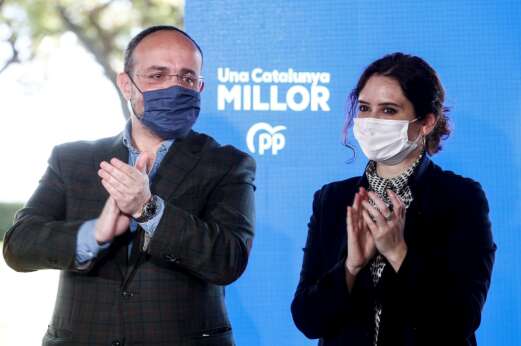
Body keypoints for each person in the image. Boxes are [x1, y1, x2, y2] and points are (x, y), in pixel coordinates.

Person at [3, 25, 255, 346]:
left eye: (187, 78)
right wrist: (94, 234)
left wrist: (148, 210)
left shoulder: (227, 163)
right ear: (127, 84)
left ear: (200, 87)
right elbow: (18, 247)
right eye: (157, 75)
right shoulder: (72, 159)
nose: (174, 87)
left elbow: (228, 260)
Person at [291, 53, 495, 346]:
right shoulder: (333, 199)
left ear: (425, 122)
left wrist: (399, 253)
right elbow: (307, 319)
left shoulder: (461, 198)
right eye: (364, 108)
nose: (372, 121)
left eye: (388, 111)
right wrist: (350, 267)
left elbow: (458, 321)